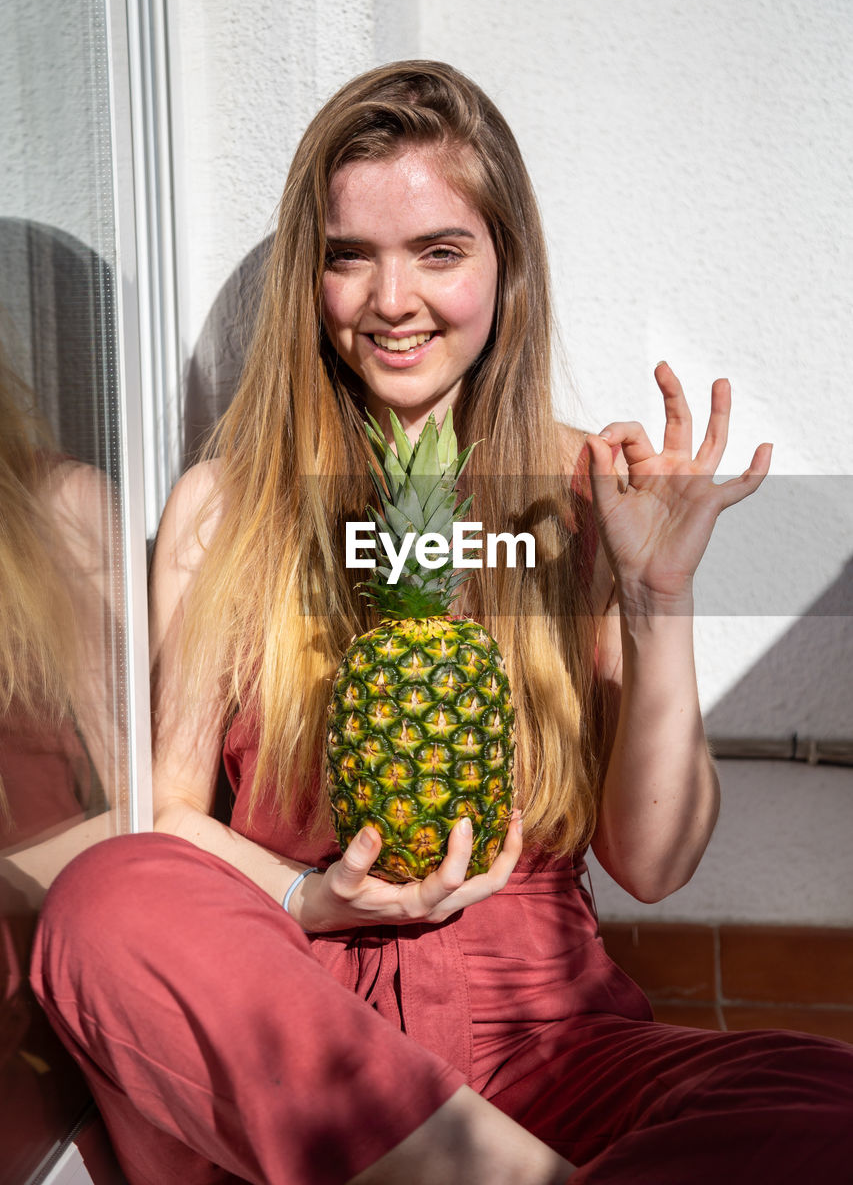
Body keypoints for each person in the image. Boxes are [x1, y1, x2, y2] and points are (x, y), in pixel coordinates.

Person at [30, 61, 853, 1185]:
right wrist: (308, 895)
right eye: (347, 256)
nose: (391, 299)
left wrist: (657, 595)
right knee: (105, 896)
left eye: (438, 251)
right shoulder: (226, 510)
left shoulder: (580, 488)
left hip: (554, 1037)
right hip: (312, 1038)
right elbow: (177, 821)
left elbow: (654, 861)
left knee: (824, 1100)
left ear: (504, 266)